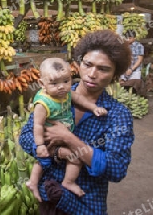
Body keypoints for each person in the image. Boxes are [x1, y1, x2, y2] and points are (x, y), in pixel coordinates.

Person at [19, 30, 135, 214]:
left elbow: (116, 168)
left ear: (115, 74)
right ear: (78, 64)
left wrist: (70, 139)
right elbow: (25, 136)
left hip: (85, 204)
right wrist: (58, 152)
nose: (91, 74)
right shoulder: (52, 98)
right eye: (87, 64)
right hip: (49, 196)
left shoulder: (117, 115)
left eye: (103, 69)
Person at [27, 57, 108, 203]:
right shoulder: (42, 103)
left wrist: (93, 107)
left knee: (46, 161)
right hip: (48, 138)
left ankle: (36, 182)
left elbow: (79, 99)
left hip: (64, 137)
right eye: (54, 83)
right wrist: (39, 145)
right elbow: (37, 125)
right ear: (41, 83)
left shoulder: (66, 93)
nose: (61, 87)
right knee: (66, 158)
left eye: (66, 81)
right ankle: (65, 182)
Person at [120, 30, 144, 95]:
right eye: (127, 37)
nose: (128, 39)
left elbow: (139, 60)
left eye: (130, 38)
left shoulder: (139, 46)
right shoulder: (124, 46)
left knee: (134, 89)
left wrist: (131, 69)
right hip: (125, 70)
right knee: (124, 89)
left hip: (135, 71)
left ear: (134, 38)